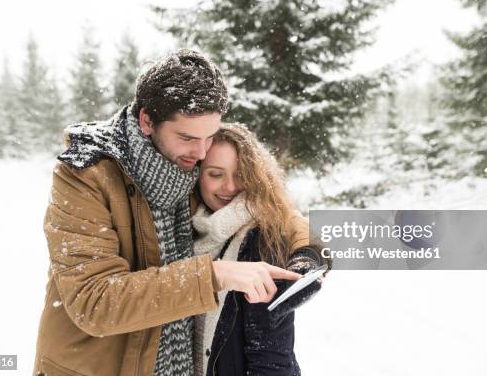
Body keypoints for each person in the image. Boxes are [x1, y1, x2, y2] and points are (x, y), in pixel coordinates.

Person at [33, 50, 301, 376]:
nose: (202, 152)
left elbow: (266, 207)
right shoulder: (85, 174)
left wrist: (308, 251)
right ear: (147, 121)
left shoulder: (190, 163)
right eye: (188, 137)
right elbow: (95, 303)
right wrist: (214, 276)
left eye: (209, 137)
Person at [191, 123, 328, 376]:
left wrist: (307, 260)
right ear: (197, 173)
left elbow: (272, 358)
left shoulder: (262, 239)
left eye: (241, 174)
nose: (229, 187)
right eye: (215, 174)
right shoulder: (181, 228)